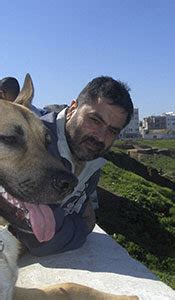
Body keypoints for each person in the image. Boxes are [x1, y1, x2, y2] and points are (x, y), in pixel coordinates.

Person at [11, 76, 134, 256]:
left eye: (112, 130)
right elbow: (40, 239)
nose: (100, 137)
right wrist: (83, 226)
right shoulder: (36, 144)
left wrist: (63, 219)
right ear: (72, 109)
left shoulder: (90, 158)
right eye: (95, 120)